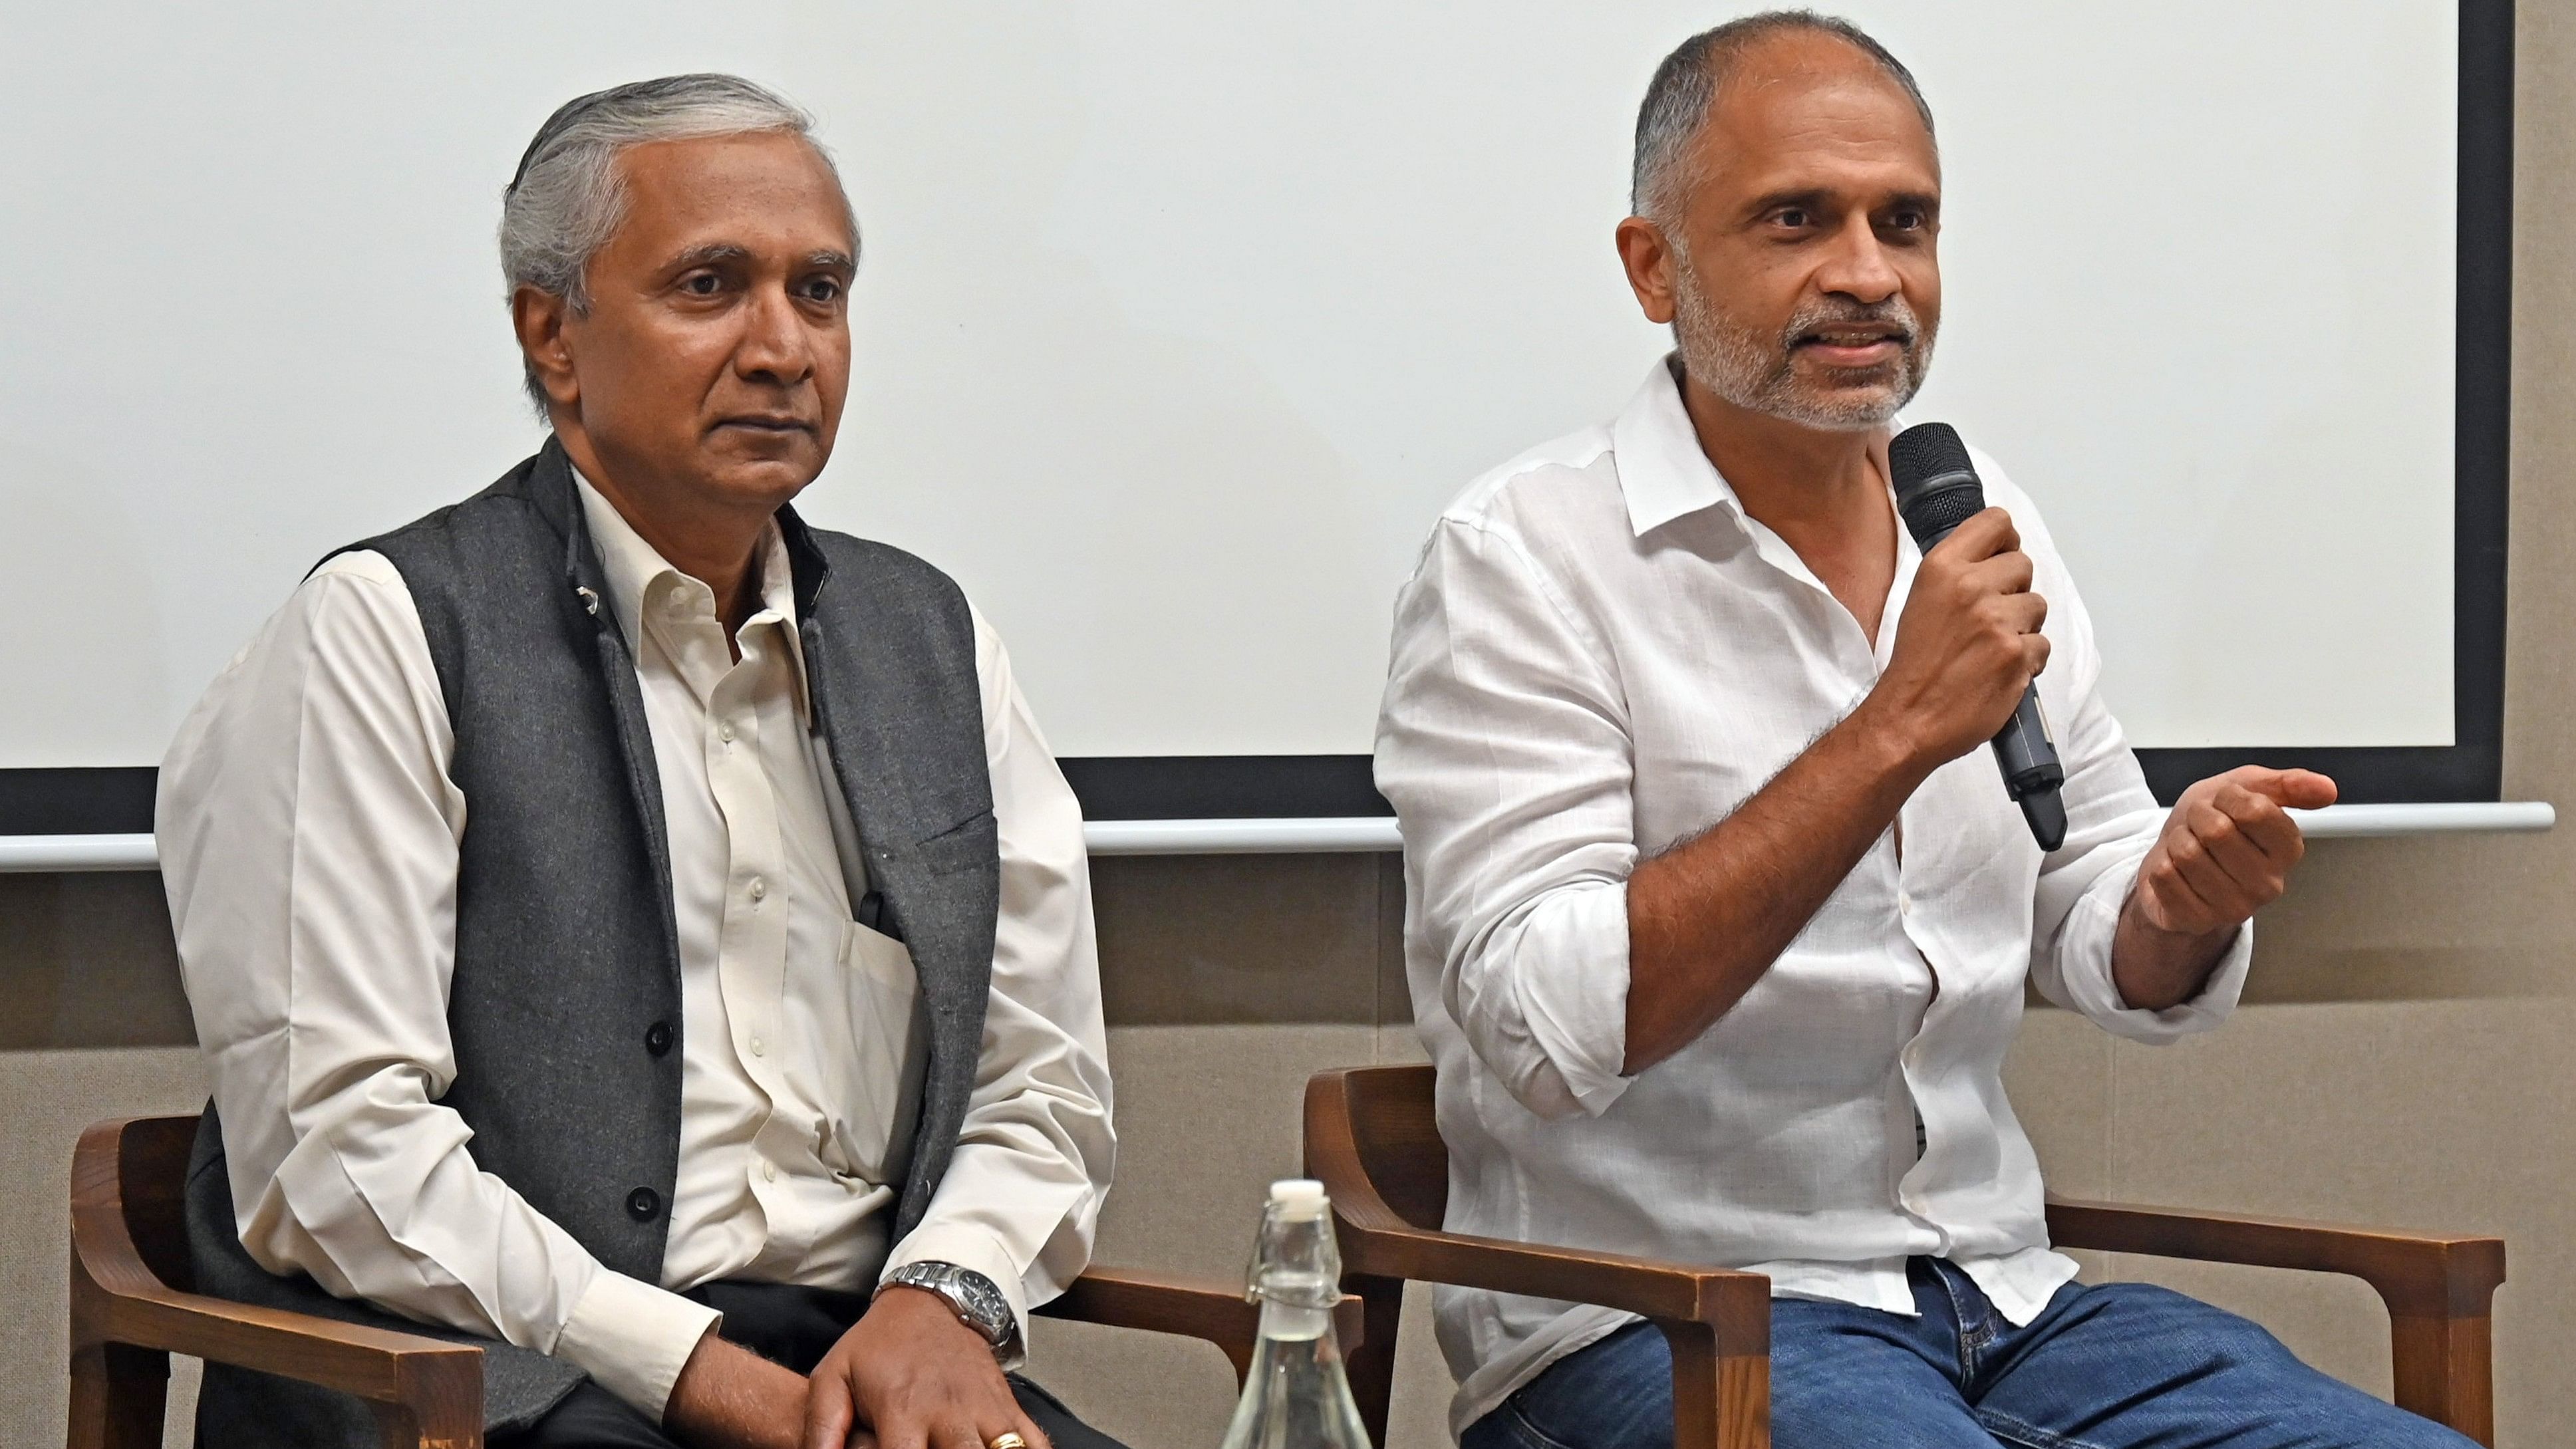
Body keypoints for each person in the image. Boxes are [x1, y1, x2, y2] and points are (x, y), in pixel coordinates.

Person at [1375, 14, 2468, 1449]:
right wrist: (1889, 728)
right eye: (1793, 221)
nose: (1867, 275)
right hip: (1665, 1317)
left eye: (1905, 221)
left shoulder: (1966, 513)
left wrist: (2174, 898)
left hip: (2004, 1301)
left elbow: (2088, 909)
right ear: (1654, 268)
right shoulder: (1521, 557)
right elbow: (1543, 1025)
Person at [158, 75, 1120, 1449]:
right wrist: (707, 1377)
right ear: (552, 333)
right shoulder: (385, 628)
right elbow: (338, 1149)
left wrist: (939, 1302)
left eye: (822, 290)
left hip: (861, 1355)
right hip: (499, 1374)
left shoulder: (931, 639)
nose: (783, 346)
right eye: (711, 285)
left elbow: (1040, 1085)